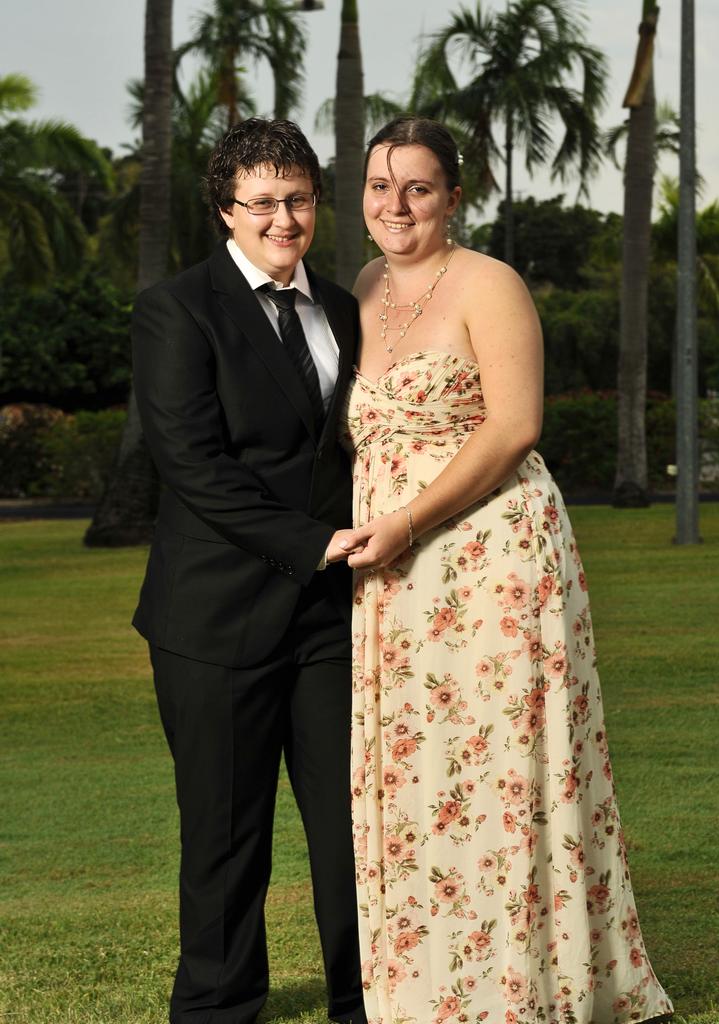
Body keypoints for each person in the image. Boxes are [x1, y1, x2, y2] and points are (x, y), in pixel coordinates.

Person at [341, 116, 674, 1024]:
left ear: (454, 195)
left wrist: (407, 519)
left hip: (490, 559)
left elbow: (515, 426)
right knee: (424, 774)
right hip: (396, 574)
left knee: (503, 766)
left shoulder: (492, 283)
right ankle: (432, 985)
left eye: (417, 186)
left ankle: (529, 981)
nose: (396, 203)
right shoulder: (362, 287)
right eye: (380, 185)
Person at [131, 118, 367, 1024]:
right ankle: (219, 1006)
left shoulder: (344, 309)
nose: (283, 217)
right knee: (228, 837)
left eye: (298, 198)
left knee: (351, 831)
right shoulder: (176, 309)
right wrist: (316, 543)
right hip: (215, 620)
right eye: (263, 201)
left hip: (332, 618)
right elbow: (192, 466)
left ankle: (367, 997)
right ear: (226, 209)